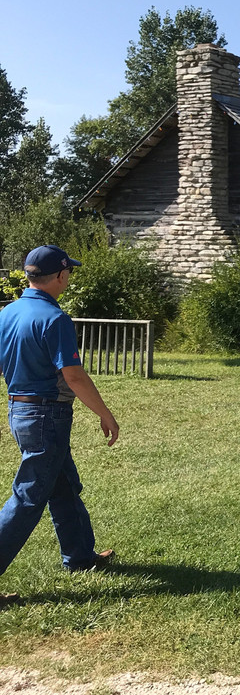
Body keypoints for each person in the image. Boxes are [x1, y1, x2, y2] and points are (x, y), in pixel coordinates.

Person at [0, 245, 120, 608]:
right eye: (69, 273)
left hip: (19, 411)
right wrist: (105, 413)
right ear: (62, 275)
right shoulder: (56, 319)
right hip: (46, 415)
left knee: (63, 483)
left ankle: (80, 556)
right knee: (28, 496)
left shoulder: (7, 312)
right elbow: (74, 375)